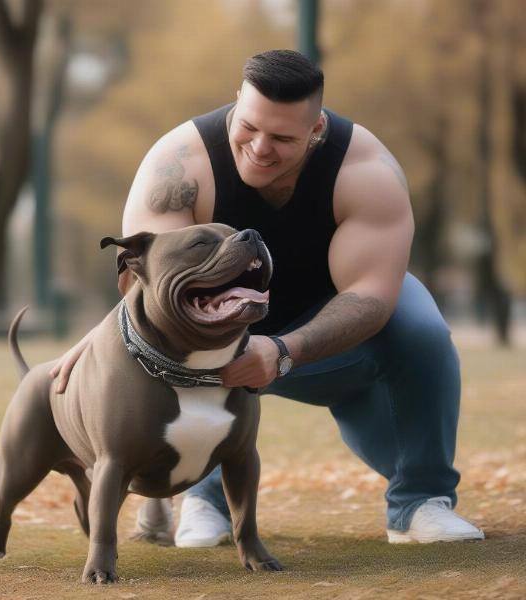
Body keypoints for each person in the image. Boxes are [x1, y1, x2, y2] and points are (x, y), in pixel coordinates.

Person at [51, 49, 484, 546]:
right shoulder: (177, 167)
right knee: (173, 352)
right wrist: (104, 340)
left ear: (316, 128)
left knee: (421, 329)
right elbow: (152, 292)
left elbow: (370, 296)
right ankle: (201, 497)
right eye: (248, 126)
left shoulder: (365, 169)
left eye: (282, 138)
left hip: (330, 317)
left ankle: (419, 503)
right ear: (237, 101)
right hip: (211, 327)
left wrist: (283, 351)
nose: (259, 148)